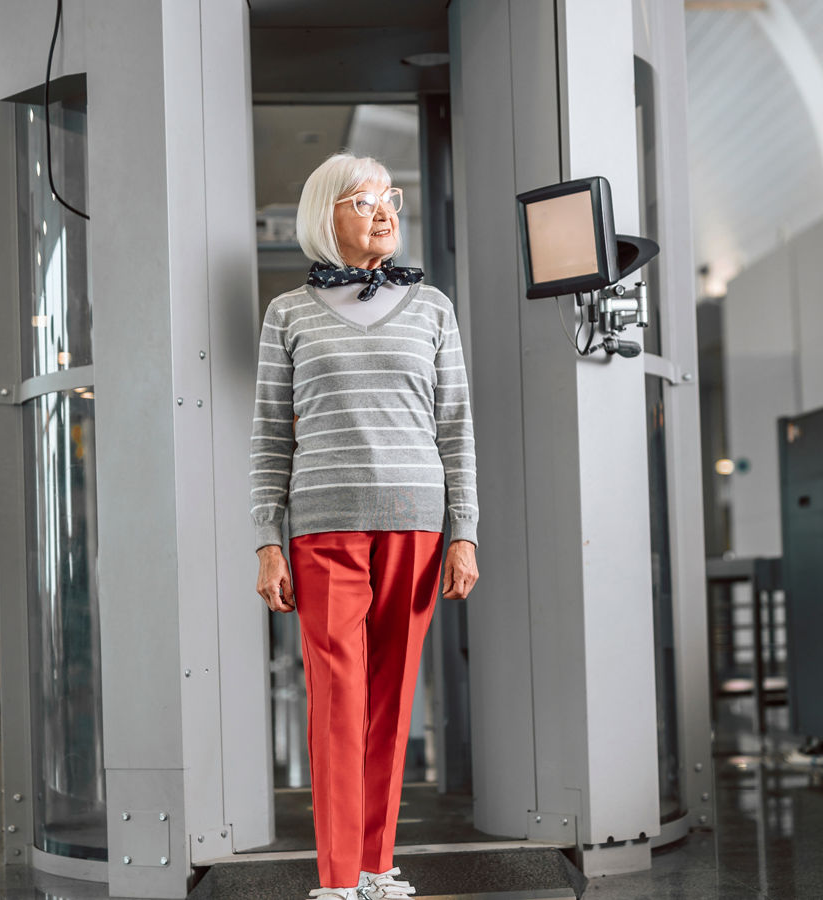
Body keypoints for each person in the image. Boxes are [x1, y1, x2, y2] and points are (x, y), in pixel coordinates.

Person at [251, 152, 480, 900]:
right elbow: (269, 437)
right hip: (322, 528)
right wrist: (266, 539)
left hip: (416, 524)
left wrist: (465, 531)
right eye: (363, 200)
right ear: (326, 216)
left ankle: (378, 867)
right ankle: (337, 877)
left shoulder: (435, 309)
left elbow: (455, 427)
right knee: (336, 701)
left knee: (393, 700)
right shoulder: (286, 313)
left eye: (391, 198)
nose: (385, 212)